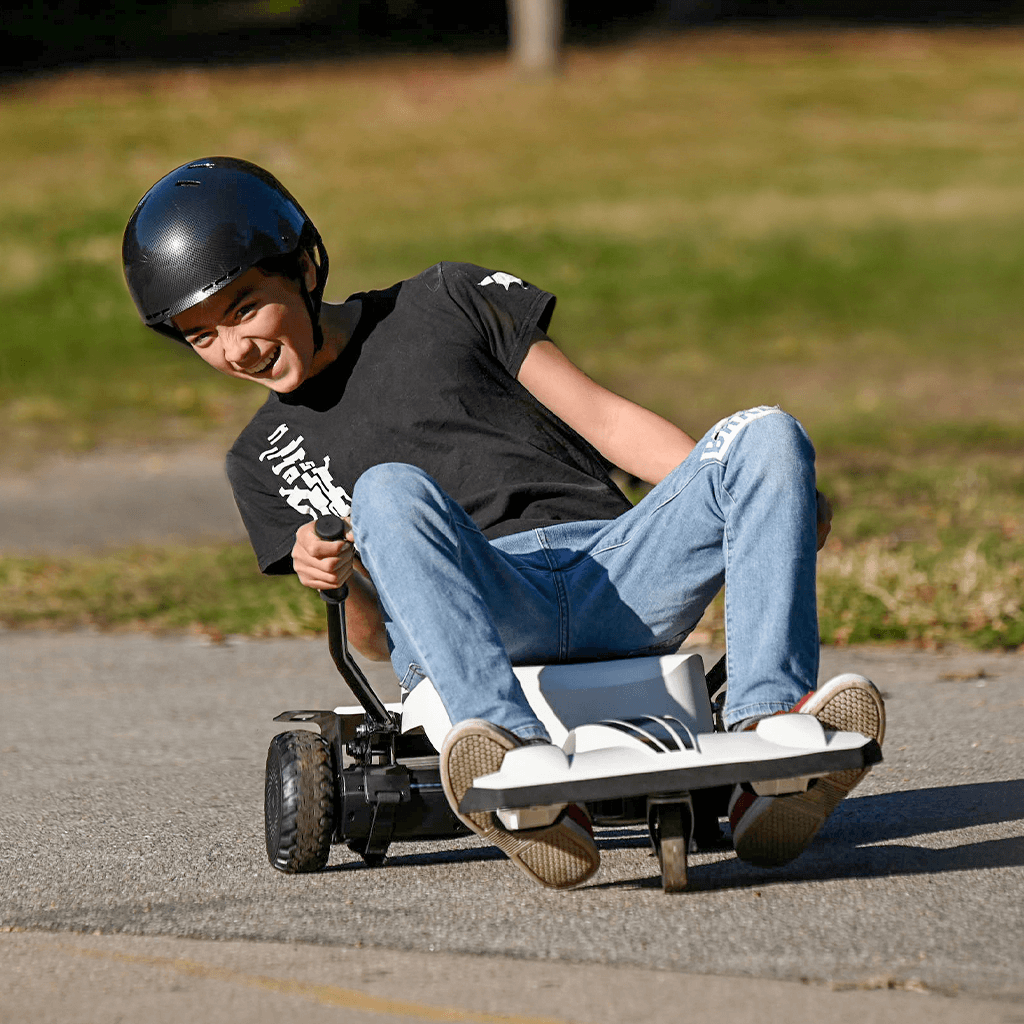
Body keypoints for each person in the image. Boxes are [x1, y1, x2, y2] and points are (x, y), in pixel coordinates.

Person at [123, 156, 885, 890]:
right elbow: (374, 640)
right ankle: (517, 771)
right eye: (201, 337)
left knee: (766, 432)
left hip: (615, 572)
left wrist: (760, 498)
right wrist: (337, 576)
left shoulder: (445, 300)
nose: (236, 348)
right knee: (385, 489)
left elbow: (606, 420)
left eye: (246, 308)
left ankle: (769, 744)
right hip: (478, 606)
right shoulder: (261, 458)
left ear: (305, 266)